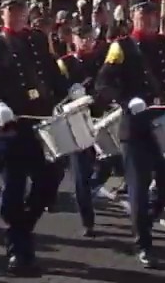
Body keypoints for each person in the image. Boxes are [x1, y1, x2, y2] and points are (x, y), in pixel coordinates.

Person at [0, 0, 82, 276]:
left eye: (20, 10)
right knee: (15, 189)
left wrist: (70, 88)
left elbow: (52, 74)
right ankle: (19, 251)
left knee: (50, 179)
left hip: (41, 125)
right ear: (1, 14)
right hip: (11, 129)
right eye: (11, 11)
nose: (16, 15)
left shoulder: (38, 40)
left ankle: (21, 227)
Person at [96, 0, 165, 269]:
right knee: (138, 187)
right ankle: (144, 244)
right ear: (133, 16)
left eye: (151, 15)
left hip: (160, 122)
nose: (148, 19)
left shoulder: (161, 44)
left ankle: (148, 217)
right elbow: (103, 84)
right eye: (142, 14)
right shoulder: (121, 47)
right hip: (135, 127)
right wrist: (126, 100)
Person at [57, 21, 107, 237]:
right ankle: (88, 220)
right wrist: (70, 95)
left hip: (100, 118)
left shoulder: (101, 61)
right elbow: (56, 92)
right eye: (81, 37)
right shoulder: (64, 64)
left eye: (89, 38)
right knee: (80, 172)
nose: (86, 42)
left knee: (109, 164)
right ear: (73, 39)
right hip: (77, 121)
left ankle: (91, 188)